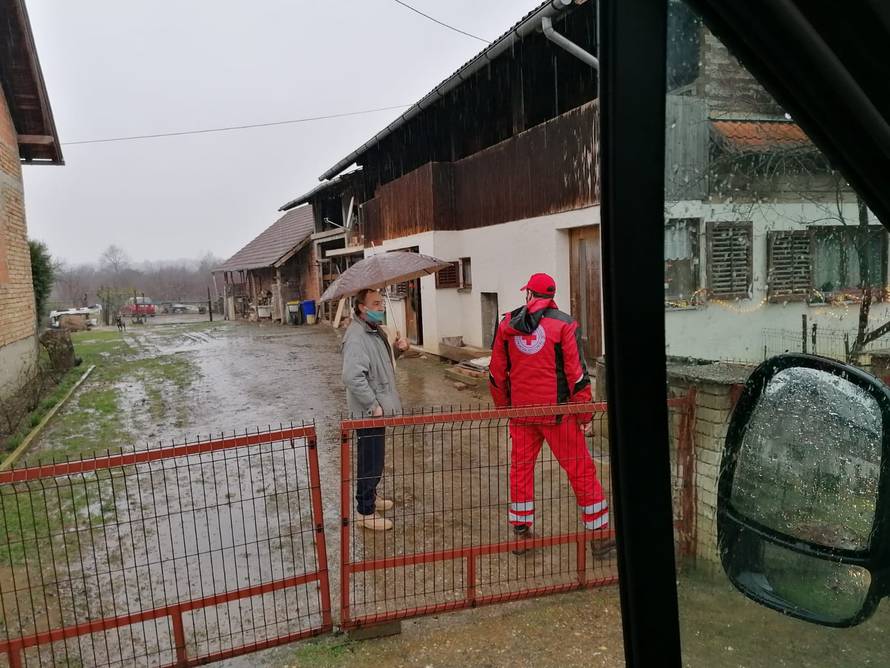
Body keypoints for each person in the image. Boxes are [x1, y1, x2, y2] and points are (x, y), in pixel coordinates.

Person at [488, 272, 613, 556]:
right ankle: (601, 537)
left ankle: (521, 534)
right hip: (558, 414)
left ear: (530, 295)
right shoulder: (565, 324)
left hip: (521, 414)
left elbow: (496, 373)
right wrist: (584, 416)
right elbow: (577, 374)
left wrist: (505, 407)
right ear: (552, 296)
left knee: (520, 471)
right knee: (581, 471)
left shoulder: (507, 323)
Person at [341, 288, 410, 531]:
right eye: (376, 303)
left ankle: (372, 495)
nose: (381, 307)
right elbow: (352, 377)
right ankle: (365, 510)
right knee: (370, 460)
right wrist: (373, 406)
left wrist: (399, 349)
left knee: (376, 457)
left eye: (382, 303)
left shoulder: (375, 331)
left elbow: (382, 366)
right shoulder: (357, 336)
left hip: (378, 408)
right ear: (362, 307)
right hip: (369, 412)